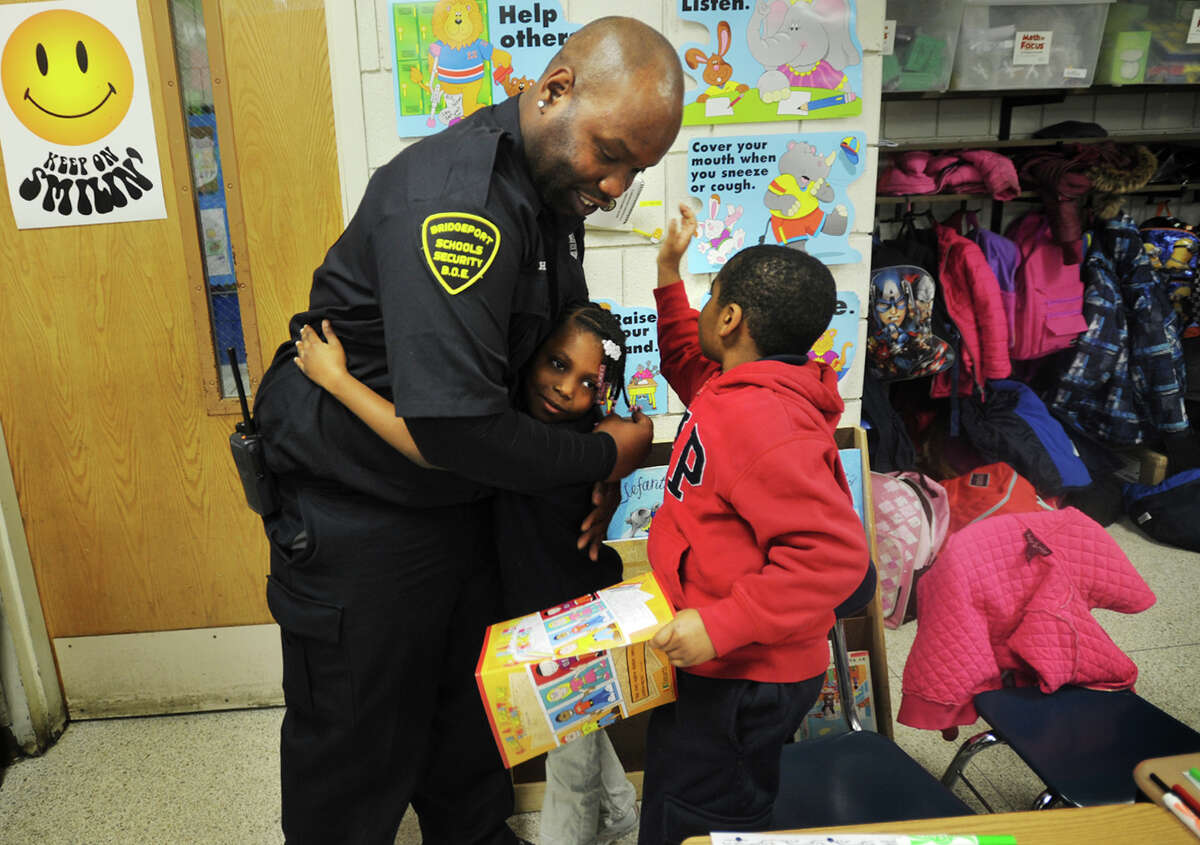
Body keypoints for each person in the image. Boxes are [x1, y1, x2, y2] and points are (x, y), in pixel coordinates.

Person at [250, 17, 683, 845]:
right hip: (362, 513)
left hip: (465, 506)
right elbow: (457, 430)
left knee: (468, 734)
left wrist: (594, 466)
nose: (615, 184)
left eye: (636, 169)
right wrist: (605, 452)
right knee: (356, 750)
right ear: (555, 90)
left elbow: (556, 338)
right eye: (611, 154)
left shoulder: (550, 187)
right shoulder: (459, 202)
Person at [291, 301, 641, 845]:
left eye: (586, 383)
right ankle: (619, 812)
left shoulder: (546, 449)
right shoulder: (565, 437)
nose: (565, 388)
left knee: (570, 756)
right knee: (581, 732)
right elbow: (624, 433)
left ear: (603, 393)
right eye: (557, 364)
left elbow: (427, 445)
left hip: (565, 630)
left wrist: (337, 380)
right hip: (537, 619)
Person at [637, 205, 870, 845]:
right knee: (680, 786)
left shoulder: (767, 423)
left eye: (712, 296)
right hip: (719, 656)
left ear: (731, 318)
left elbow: (834, 560)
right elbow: (682, 353)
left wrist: (720, 625)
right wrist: (668, 270)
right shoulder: (729, 383)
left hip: (745, 673)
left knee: (713, 813)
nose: (705, 309)